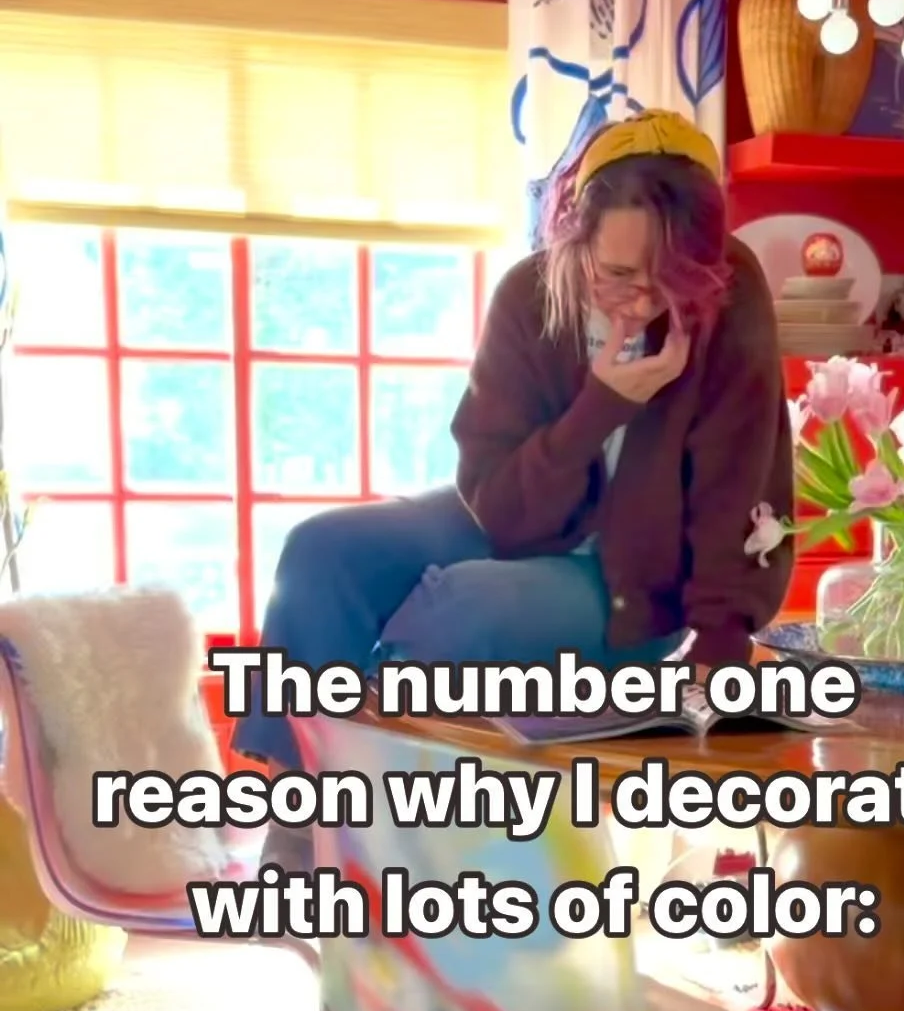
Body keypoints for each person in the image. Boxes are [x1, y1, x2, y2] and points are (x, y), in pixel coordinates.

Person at [233, 108, 794, 859]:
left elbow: (741, 483)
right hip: (524, 517)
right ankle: (300, 828)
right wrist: (602, 405)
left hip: (638, 577)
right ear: (574, 235)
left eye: (668, 281)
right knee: (320, 550)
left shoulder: (731, 294)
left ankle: (381, 832)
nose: (640, 301)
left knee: (465, 607)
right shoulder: (528, 296)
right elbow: (498, 509)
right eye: (617, 274)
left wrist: (720, 649)